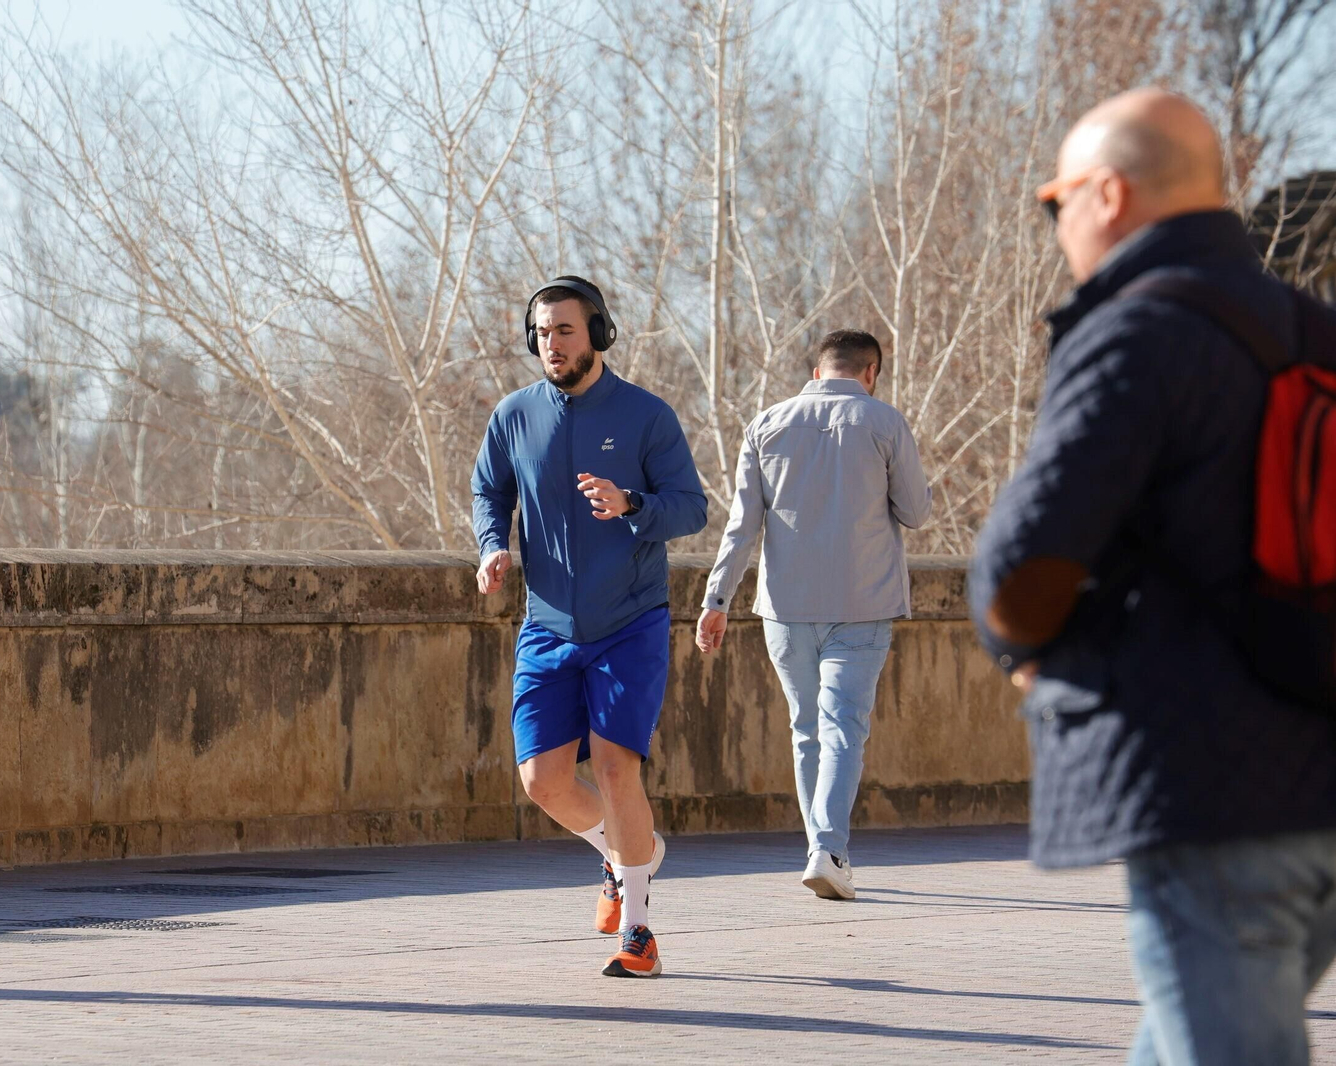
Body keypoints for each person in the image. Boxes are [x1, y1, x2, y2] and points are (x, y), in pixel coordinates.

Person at [970, 88, 1336, 1065]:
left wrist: (1021, 652)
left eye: (1055, 202)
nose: (1054, 226)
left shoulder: (1137, 328)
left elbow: (1026, 555)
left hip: (1208, 787)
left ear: (1108, 192)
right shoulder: (1311, 331)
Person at [471, 276, 706, 977]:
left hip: (628, 620)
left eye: (566, 330)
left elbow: (690, 507)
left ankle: (639, 931)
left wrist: (631, 503)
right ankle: (624, 852)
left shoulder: (645, 415)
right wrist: (492, 545)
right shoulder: (514, 415)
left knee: (613, 765)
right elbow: (490, 489)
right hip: (547, 624)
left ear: (599, 332)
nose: (552, 344)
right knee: (541, 781)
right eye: (542, 332)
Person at [695, 329, 930, 900]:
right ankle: (828, 850)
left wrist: (715, 600)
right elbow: (918, 513)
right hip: (862, 604)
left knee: (808, 730)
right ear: (870, 371)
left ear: (819, 369)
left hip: (787, 609)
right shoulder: (884, 423)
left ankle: (821, 849)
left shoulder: (768, 423)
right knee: (842, 728)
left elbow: (741, 525)